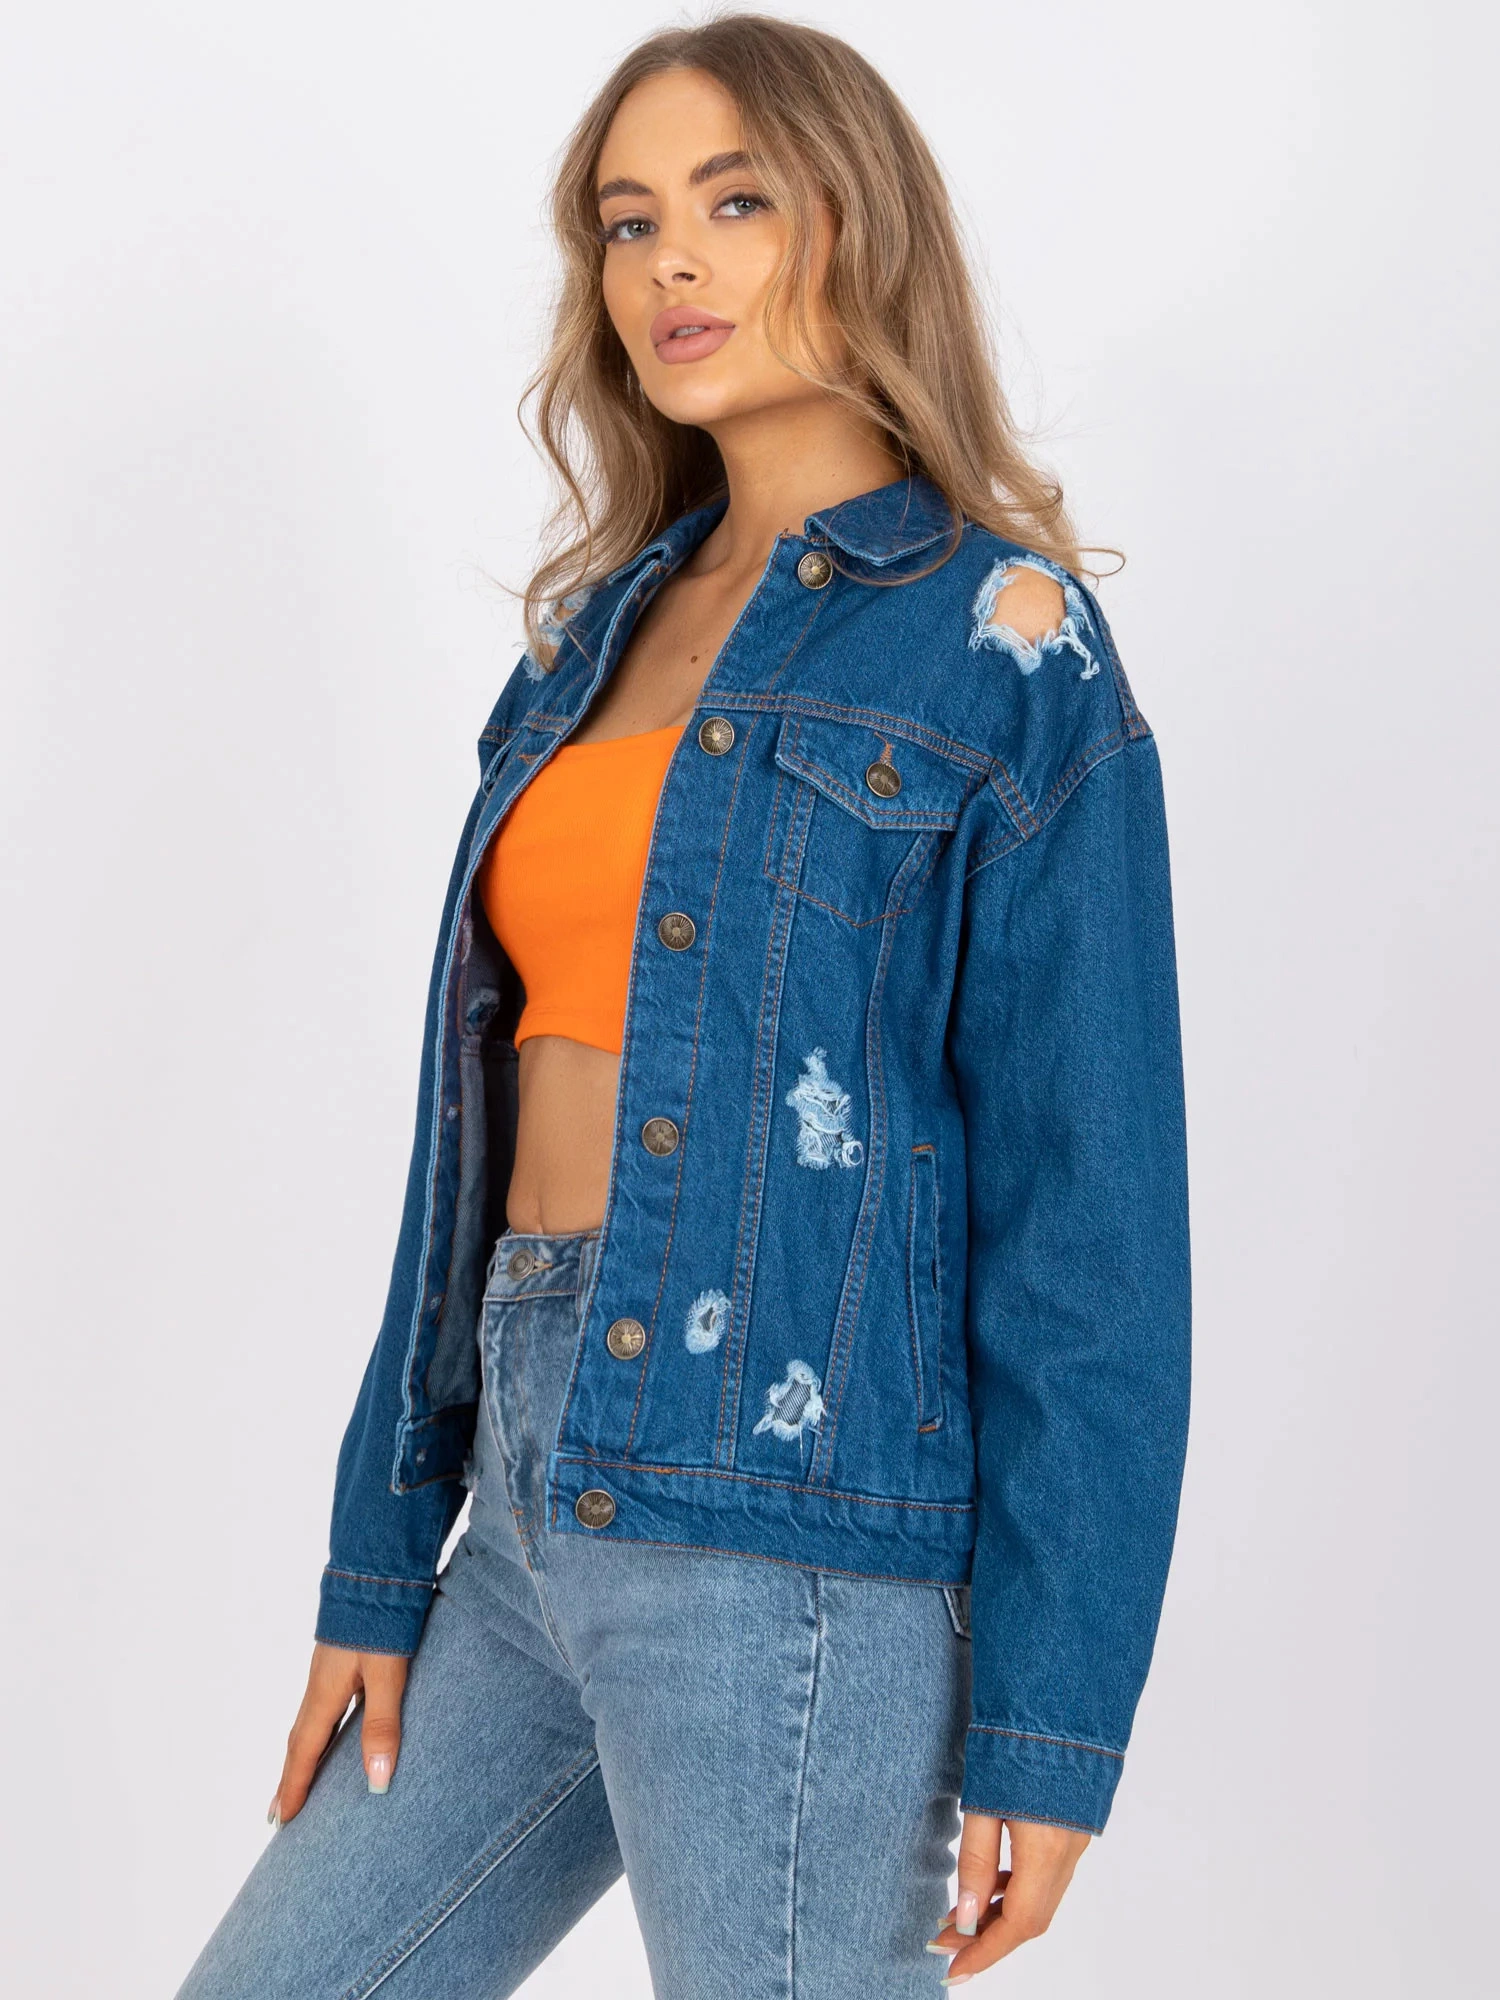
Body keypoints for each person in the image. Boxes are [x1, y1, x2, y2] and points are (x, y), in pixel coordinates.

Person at [176, 15, 1190, 1997]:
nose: (672, 265)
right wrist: (380, 1548)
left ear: (855, 223)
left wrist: (1055, 1718)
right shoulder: (590, 641)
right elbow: (462, 1142)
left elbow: (1091, 1223)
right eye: (629, 221)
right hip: (523, 1507)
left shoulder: (1006, 644)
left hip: (789, 1544)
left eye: (736, 202)